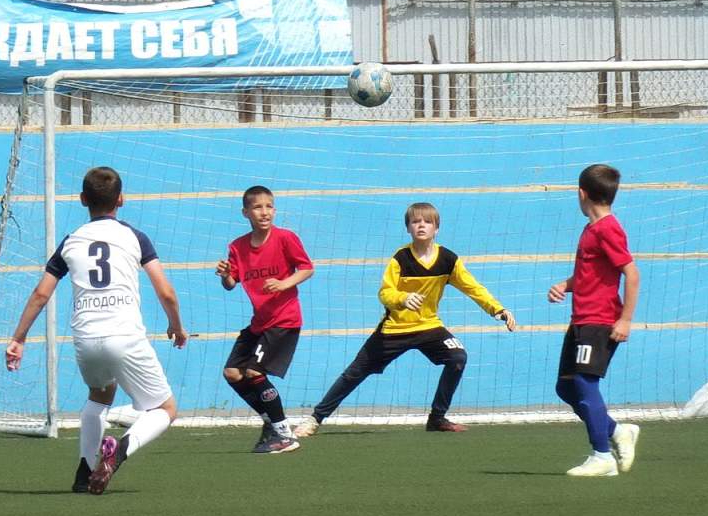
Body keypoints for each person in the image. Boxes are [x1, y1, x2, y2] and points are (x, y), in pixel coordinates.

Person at [5, 166, 187, 494]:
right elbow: (166, 292)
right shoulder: (135, 237)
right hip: (125, 335)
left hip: (86, 339)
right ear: (121, 199)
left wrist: (18, 338)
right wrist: (176, 325)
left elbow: (41, 294)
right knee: (165, 408)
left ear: (82, 199)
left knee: (100, 394)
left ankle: (84, 473)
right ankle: (118, 452)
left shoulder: (71, 241)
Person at [294, 202, 516, 437]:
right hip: (394, 329)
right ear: (408, 228)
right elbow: (385, 293)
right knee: (355, 372)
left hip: (429, 326)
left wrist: (497, 309)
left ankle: (437, 418)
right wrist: (403, 298)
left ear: (437, 228)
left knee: (457, 357)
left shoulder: (448, 259)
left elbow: (473, 287)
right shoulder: (400, 258)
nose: (421, 225)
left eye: (428, 221)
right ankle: (315, 418)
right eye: (415, 221)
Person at [547, 164, 641, 476]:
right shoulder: (591, 229)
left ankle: (602, 456)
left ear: (581, 193)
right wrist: (565, 285)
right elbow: (590, 275)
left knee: (585, 383)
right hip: (580, 320)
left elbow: (631, 273)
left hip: (600, 321)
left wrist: (625, 320)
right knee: (566, 388)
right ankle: (618, 431)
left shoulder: (608, 229)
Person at [216, 185, 314, 453]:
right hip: (259, 322)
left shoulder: (285, 238)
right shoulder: (238, 246)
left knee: (254, 373)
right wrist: (225, 274)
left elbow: (307, 268)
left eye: (269, 206)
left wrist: (284, 283)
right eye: (257, 207)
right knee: (232, 373)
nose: (264, 212)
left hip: (284, 320)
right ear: (245, 212)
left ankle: (284, 434)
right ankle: (270, 421)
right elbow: (231, 283)